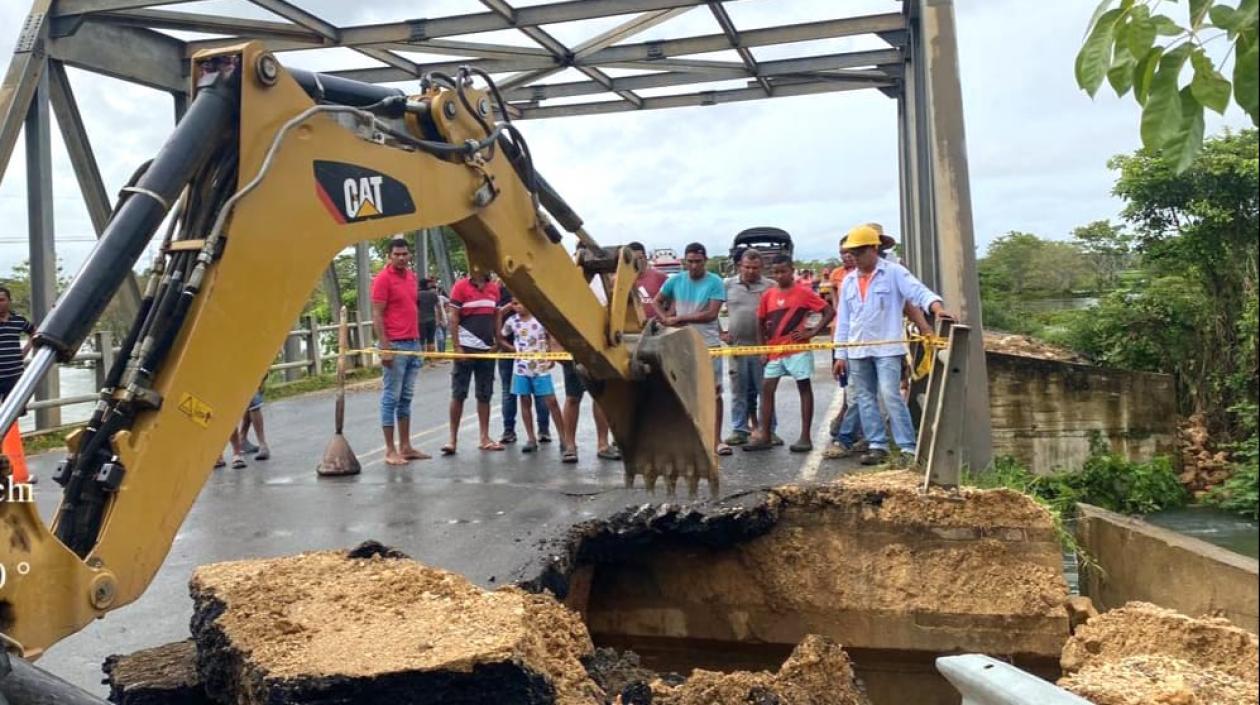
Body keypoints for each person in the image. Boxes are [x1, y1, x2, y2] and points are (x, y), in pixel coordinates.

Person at [832, 224, 951, 465]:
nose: (854, 257)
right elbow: (844, 318)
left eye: (859, 252)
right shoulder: (849, 281)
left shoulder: (894, 272)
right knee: (865, 398)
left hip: (887, 349)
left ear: (874, 249)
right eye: (852, 253)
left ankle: (907, 448)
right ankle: (878, 445)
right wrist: (840, 354)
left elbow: (918, 293)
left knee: (890, 395)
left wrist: (937, 309)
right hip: (857, 348)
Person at [744, 254, 833, 453]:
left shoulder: (804, 293)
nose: (779, 275)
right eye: (775, 272)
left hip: (797, 349)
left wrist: (812, 331)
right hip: (775, 350)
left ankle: (805, 436)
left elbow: (828, 311)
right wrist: (762, 349)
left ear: (792, 270)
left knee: (803, 387)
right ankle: (765, 434)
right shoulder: (768, 295)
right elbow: (759, 322)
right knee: (767, 388)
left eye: (783, 271)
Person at [654, 242, 731, 455]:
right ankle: (690, 438)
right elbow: (657, 301)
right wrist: (665, 319)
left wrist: (680, 318)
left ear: (705, 261)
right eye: (690, 262)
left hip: (708, 343)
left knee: (714, 393)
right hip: (681, 344)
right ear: (684, 262)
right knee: (683, 393)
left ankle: (717, 439)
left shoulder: (715, 282)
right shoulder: (675, 280)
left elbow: (711, 314)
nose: (694, 266)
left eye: (698, 262)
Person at [372, 238, 430, 466]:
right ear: (389, 256)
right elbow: (377, 314)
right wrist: (384, 345)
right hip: (395, 344)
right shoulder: (382, 279)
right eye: (397, 254)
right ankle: (390, 449)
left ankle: (406, 446)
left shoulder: (411, 277)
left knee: (406, 398)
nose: (401, 258)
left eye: (405, 254)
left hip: (413, 343)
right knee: (391, 398)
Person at [497, 300, 569, 453]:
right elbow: (500, 337)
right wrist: (511, 348)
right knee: (524, 400)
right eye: (514, 304)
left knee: (551, 401)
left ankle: (564, 437)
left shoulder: (540, 319)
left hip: (540, 366)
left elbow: (551, 337)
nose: (517, 306)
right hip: (521, 368)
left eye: (520, 303)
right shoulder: (512, 321)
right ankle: (531, 438)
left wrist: (551, 354)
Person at [444, 270, 501, 454]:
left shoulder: (494, 288)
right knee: (458, 393)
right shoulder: (460, 286)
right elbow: (454, 317)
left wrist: (497, 340)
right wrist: (457, 347)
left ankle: (484, 437)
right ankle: (452, 439)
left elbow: (497, 315)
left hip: (487, 349)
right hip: (465, 348)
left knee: (485, 394)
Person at [721, 250, 774, 447]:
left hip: (761, 348)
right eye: (747, 267)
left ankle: (768, 429)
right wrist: (721, 333)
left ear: (761, 268)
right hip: (737, 347)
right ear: (739, 266)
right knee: (738, 391)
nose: (751, 271)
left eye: (755, 268)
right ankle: (739, 430)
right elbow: (710, 308)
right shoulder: (727, 285)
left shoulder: (770, 286)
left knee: (765, 391)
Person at [495, 286, 551, 445]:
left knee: (541, 394)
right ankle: (509, 430)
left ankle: (543, 429)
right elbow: (499, 332)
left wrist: (549, 351)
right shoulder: (501, 290)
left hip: (535, 354)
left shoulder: (530, 285)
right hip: (513, 352)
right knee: (511, 392)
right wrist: (503, 311)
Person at [0, 286, 34, 403]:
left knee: (13, 413)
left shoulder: (18, 320)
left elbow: (34, 333)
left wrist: (24, 352)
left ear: (9, 301)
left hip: (15, 375)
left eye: (1, 300)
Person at [625, 241, 668, 319]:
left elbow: (674, 299)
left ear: (645, 258)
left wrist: (666, 317)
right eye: (633, 260)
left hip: (657, 326)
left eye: (640, 258)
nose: (637, 263)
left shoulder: (660, 276)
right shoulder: (620, 281)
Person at [418, 278, 442, 365]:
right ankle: (432, 360)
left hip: (420, 320)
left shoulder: (417, 295)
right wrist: (439, 318)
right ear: (427, 285)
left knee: (421, 340)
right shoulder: (433, 295)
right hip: (432, 319)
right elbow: (438, 307)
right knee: (431, 340)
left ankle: (421, 360)